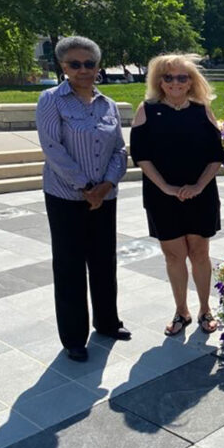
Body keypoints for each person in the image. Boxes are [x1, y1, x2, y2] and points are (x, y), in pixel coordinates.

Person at [36, 36, 131, 362]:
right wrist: (84, 187)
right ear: (63, 67)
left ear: (98, 66)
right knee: (70, 266)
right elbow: (52, 149)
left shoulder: (108, 105)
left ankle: (107, 322)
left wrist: (105, 185)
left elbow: (120, 149)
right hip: (65, 197)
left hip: (104, 196)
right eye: (75, 64)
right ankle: (74, 337)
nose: (83, 70)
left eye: (89, 63)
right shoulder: (51, 100)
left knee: (104, 261)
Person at [130, 54, 224, 336]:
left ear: (191, 81)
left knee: (200, 252)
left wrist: (198, 186)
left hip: (201, 194)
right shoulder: (146, 109)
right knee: (174, 255)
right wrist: (166, 188)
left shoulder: (202, 110)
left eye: (182, 77)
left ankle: (205, 309)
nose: (175, 82)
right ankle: (181, 311)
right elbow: (141, 156)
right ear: (159, 80)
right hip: (162, 196)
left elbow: (216, 155)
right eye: (168, 77)